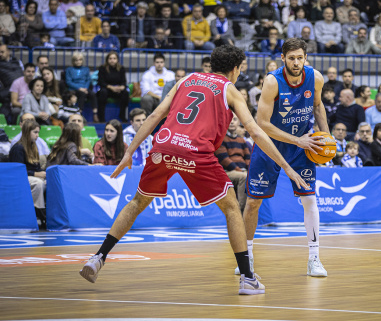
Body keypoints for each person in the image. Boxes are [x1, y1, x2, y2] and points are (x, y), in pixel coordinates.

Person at [80, 44, 309, 296]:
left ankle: (98, 257)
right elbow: (255, 131)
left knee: (137, 202)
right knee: (232, 207)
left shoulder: (186, 79)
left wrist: (128, 153)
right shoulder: (230, 90)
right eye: (240, 69)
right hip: (195, 152)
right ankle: (247, 278)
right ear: (235, 69)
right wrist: (287, 166)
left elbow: (155, 114)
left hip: (164, 146)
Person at [241, 38, 329, 278]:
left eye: (300, 57)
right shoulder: (272, 82)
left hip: (302, 145)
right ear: (283, 58)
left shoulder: (316, 78)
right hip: (269, 145)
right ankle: (245, 259)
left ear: (305, 58)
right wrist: (297, 140)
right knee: (253, 203)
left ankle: (314, 259)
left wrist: (327, 137)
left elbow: (318, 107)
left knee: (310, 199)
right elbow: (262, 124)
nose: (296, 62)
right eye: (292, 58)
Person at [8, 119, 46, 224]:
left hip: (31, 176)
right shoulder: (18, 148)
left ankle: (50, 212)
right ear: (27, 132)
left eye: (38, 132)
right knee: (38, 183)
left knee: (49, 182)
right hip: (19, 178)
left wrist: (43, 174)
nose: (37, 135)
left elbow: (36, 167)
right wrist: (36, 174)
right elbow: (17, 171)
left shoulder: (33, 146)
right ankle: (37, 212)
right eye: (35, 132)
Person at [215, 113, 251, 211]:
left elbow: (248, 158)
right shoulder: (220, 139)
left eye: (234, 119)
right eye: (229, 119)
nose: (231, 122)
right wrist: (241, 171)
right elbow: (225, 160)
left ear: (238, 122)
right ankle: (240, 211)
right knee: (244, 177)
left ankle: (251, 211)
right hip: (228, 172)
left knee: (253, 177)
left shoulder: (242, 141)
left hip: (242, 171)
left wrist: (248, 171)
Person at [65, 51, 98, 122]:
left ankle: (95, 114)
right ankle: (79, 114)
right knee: (82, 94)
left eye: (80, 60)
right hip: (74, 89)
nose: (78, 61)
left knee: (92, 94)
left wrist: (85, 88)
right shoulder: (69, 70)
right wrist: (79, 88)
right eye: (76, 60)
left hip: (85, 88)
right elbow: (68, 81)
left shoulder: (86, 69)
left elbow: (88, 80)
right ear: (73, 61)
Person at [97, 51, 129, 122]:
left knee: (125, 93)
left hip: (117, 90)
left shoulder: (121, 68)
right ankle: (101, 117)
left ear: (117, 60)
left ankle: (122, 115)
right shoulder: (102, 68)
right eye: (110, 58)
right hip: (107, 89)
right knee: (103, 93)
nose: (112, 60)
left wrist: (122, 87)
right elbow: (101, 82)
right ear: (107, 60)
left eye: (114, 58)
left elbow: (124, 82)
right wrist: (111, 87)